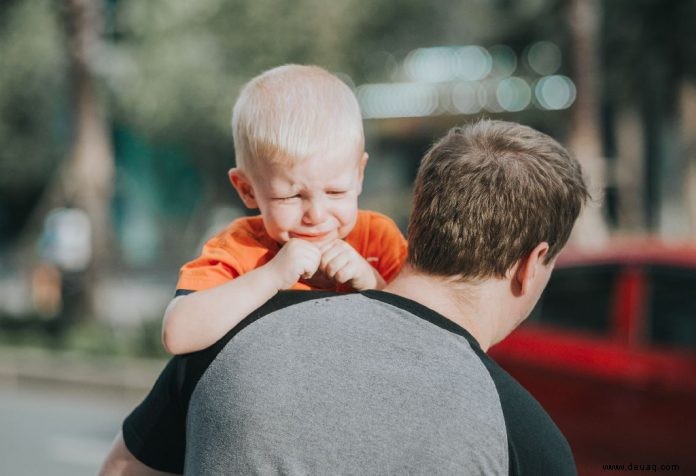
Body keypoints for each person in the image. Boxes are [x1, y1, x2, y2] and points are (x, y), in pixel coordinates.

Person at [101, 120, 589, 475]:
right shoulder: (527, 441)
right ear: (530, 264)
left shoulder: (228, 340)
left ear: (419, 219)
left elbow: (121, 470)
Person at [161, 65, 407, 355]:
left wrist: (373, 282)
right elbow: (178, 335)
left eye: (335, 192)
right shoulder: (239, 248)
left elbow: (426, 333)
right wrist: (270, 276)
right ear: (247, 190)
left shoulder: (378, 239)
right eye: (290, 196)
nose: (316, 215)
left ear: (359, 175)